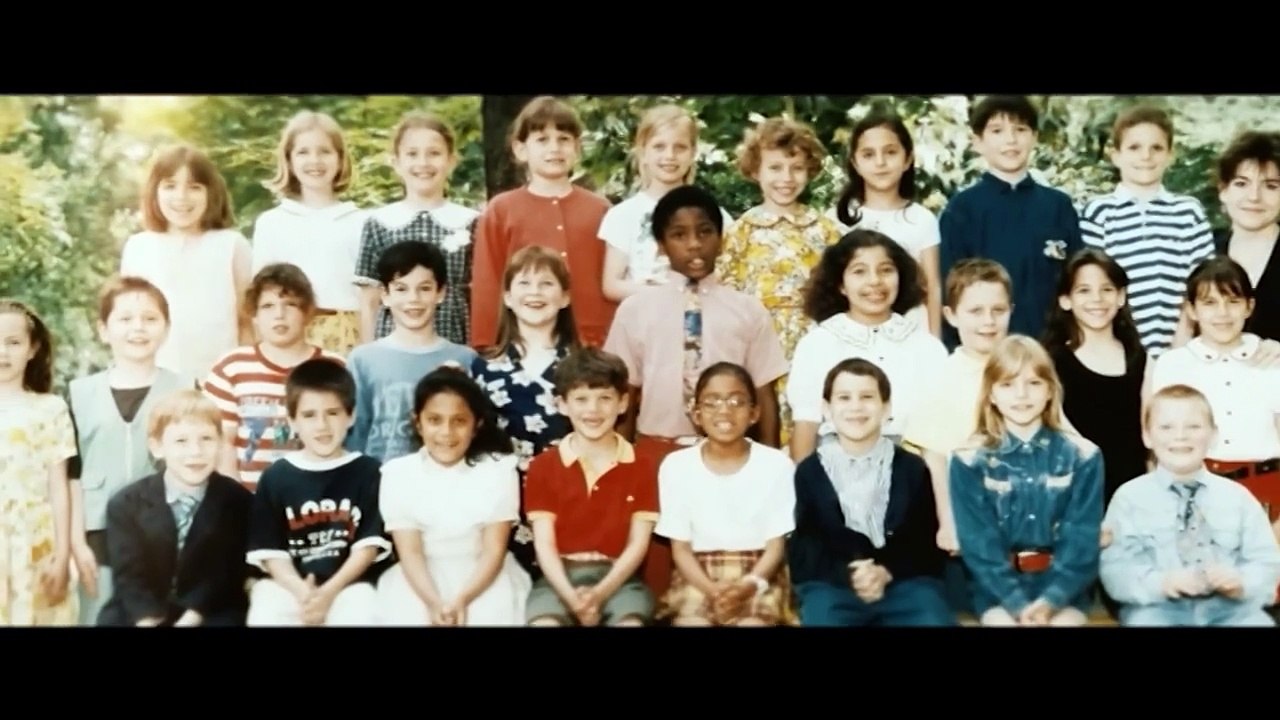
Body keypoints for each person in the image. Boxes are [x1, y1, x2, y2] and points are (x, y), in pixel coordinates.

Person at [949, 335, 1104, 626]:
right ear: (991, 394)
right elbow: (979, 544)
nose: (1021, 395)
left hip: (1065, 589)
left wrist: (1051, 600)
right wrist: (1017, 604)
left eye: (1033, 383)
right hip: (996, 591)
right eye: (1007, 384)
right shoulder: (969, 460)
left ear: (1050, 391)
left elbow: (1081, 539)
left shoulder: (1083, 456)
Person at [66, 276, 192, 624]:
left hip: (166, 533)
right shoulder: (78, 394)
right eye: (125, 319)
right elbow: (69, 476)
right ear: (104, 329)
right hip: (97, 536)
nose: (138, 328)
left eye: (150, 319)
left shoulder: (185, 388)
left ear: (166, 329)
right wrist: (76, 544)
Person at [789, 358, 953, 626]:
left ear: (886, 408)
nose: (856, 406)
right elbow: (806, 546)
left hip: (903, 584)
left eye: (867, 397)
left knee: (932, 617)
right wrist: (851, 573)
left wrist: (885, 571)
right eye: (844, 398)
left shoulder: (911, 468)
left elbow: (924, 542)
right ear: (827, 409)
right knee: (824, 618)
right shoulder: (809, 472)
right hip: (835, 585)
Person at [1099, 384, 1280, 626]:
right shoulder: (1129, 498)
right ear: (1147, 436)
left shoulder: (1238, 497)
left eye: (1193, 427)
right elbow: (1116, 568)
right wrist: (1162, 582)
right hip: (1157, 609)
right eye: (1166, 427)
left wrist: (1241, 582)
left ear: (1214, 435)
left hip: (1232, 610)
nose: (1180, 436)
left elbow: (1266, 560)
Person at [376, 368, 531, 625]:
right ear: (418, 422)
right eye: (435, 420)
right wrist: (434, 602)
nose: (446, 432)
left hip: (484, 575)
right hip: (419, 577)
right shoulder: (398, 473)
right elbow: (411, 552)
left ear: (476, 424)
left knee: (489, 614)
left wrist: (463, 599)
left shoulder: (499, 470)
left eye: (459, 421)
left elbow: (493, 550)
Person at [246, 359, 390, 626]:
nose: (322, 425)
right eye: (309, 415)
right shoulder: (276, 477)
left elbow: (367, 548)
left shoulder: (369, 472)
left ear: (351, 415)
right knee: (266, 606)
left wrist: (328, 593)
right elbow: (271, 551)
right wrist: (303, 592)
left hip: (348, 584)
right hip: (290, 585)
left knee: (365, 609)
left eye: (333, 413)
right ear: (292, 421)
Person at [523, 348, 660, 626]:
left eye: (604, 398)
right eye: (581, 399)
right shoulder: (543, 466)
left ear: (623, 403)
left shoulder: (641, 466)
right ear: (561, 404)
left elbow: (638, 544)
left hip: (619, 579)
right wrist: (572, 599)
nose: (593, 410)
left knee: (630, 623)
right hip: (558, 578)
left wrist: (599, 594)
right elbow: (545, 545)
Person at [654, 363, 796, 626]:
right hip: (698, 573)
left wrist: (749, 585)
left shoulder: (777, 465)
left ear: (754, 413)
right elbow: (681, 550)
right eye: (712, 402)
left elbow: (776, 547)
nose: (724, 410)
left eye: (737, 401)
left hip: (759, 572)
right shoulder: (676, 466)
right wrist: (712, 590)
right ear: (696, 413)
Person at [938, 95, 1083, 348]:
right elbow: (950, 290)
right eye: (997, 131)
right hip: (987, 351)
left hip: (1053, 350)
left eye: (1021, 129)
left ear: (1035, 137)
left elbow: (1076, 280)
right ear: (977, 142)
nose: (1011, 140)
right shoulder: (962, 209)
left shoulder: (1058, 206)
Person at [98, 389, 253, 626]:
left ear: (221, 443)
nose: (195, 452)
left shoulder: (237, 501)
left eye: (206, 439)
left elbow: (225, 574)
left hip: (210, 608)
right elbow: (129, 577)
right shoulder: (126, 503)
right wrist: (147, 621)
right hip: (140, 608)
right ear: (157, 447)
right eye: (181, 441)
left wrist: (190, 619)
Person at [119, 143, 252, 379]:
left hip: (220, 382)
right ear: (154, 192)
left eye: (194, 187)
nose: (181, 197)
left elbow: (248, 322)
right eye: (170, 186)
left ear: (211, 192)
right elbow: (127, 323)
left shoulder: (231, 245)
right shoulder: (138, 247)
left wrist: (246, 380)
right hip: (155, 380)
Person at [346, 241, 478, 463]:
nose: (413, 299)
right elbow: (354, 434)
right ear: (385, 295)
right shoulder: (363, 360)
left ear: (441, 293)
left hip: (445, 484)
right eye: (401, 289)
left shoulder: (466, 359)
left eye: (424, 288)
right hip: (379, 484)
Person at [253, 110, 368, 356]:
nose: (314, 161)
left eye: (324, 151)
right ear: (289, 160)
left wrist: (370, 351)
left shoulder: (360, 221)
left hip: (348, 337)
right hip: (289, 336)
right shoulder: (272, 223)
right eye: (303, 152)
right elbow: (262, 296)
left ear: (340, 158)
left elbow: (370, 297)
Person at [0, 299, 79, 625]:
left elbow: (58, 485)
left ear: (32, 349)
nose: (2, 352)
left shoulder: (51, 408)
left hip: (37, 542)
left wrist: (62, 555)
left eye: (13, 342)